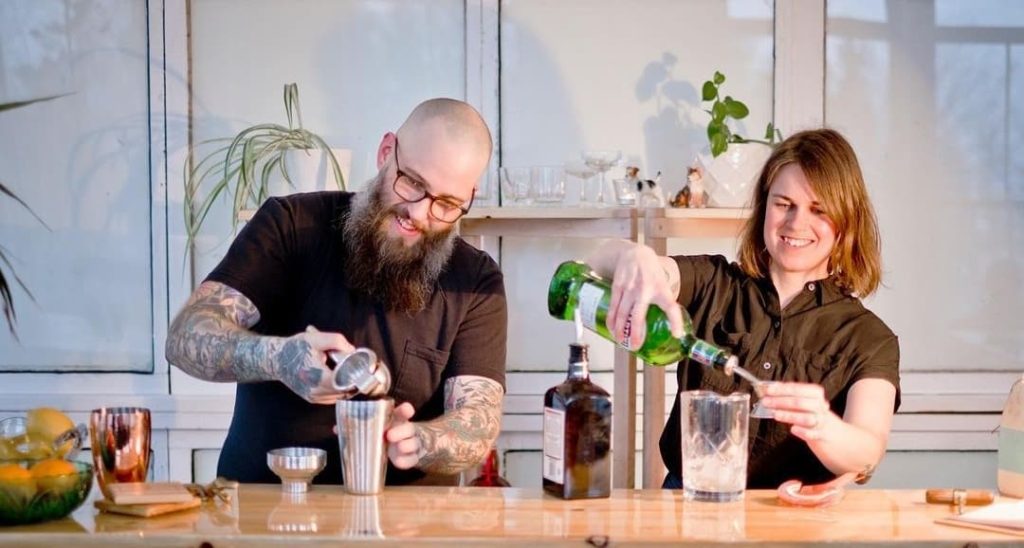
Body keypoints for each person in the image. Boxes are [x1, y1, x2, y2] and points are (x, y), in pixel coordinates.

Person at [166, 98, 507, 486]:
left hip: (408, 526)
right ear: (385, 152)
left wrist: (423, 441)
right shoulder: (290, 226)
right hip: (264, 507)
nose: (419, 214)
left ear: (469, 198)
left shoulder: (476, 280)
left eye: (447, 203)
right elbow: (185, 336)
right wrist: (277, 357)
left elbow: (479, 420)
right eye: (412, 183)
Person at [587, 128, 899, 489]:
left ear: (846, 221)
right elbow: (597, 261)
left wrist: (822, 426)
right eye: (784, 204)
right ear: (764, 206)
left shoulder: (869, 338)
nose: (796, 223)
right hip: (688, 509)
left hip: (797, 522)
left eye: (819, 210)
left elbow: (868, 447)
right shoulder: (713, 282)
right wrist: (633, 255)